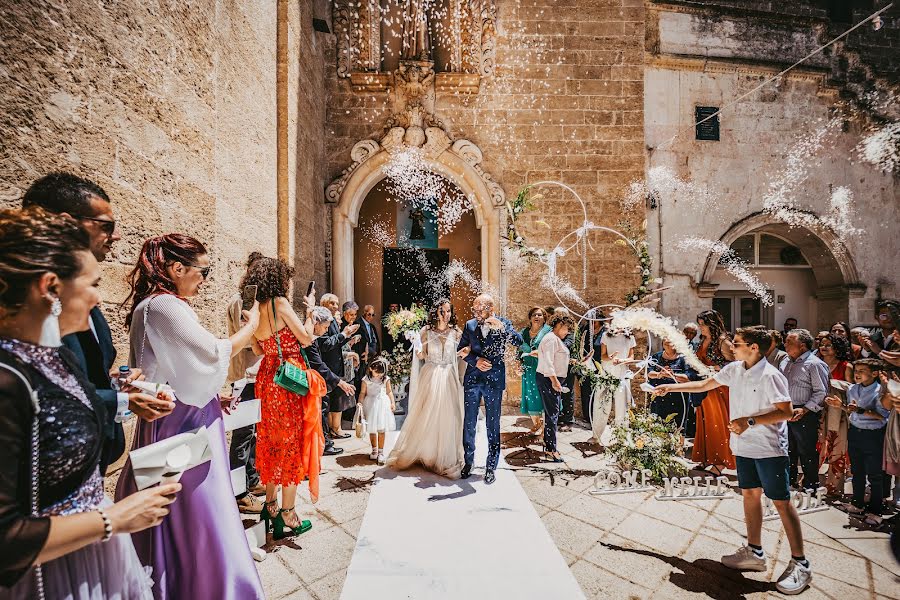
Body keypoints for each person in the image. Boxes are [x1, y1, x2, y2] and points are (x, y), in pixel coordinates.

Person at [0, 207, 179, 599]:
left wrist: (128, 395)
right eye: (92, 284)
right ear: (50, 287)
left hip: (95, 552)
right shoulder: (7, 379)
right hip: (47, 572)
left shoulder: (52, 357)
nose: (98, 297)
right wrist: (116, 517)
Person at [115, 234, 264, 599]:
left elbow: (180, 369)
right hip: (181, 426)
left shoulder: (158, 306)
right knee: (201, 517)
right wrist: (253, 324)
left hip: (179, 418)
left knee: (192, 517)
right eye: (204, 270)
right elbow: (214, 353)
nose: (205, 278)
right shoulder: (163, 306)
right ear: (176, 268)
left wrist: (216, 393)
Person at [23, 172, 172, 474]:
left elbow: (72, 370)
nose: (116, 236)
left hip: (93, 448)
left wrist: (114, 384)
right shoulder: (27, 303)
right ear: (67, 224)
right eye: (108, 226)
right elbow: (36, 393)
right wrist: (120, 400)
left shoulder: (76, 293)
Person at [653, 327, 812, 595]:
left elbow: (785, 412)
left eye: (737, 344)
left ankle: (801, 563)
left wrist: (749, 421)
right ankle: (754, 551)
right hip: (744, 445)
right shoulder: (735, 369)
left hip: (770, 448)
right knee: (749, 494)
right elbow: (705, 384)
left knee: (781, 503)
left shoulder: (771, 375)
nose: (732, 347)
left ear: (754, 348)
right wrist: (670, 386)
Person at [246, 256, 328, 538]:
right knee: (291, 442)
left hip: (267, 378)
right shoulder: (280, 303)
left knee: (270, 441)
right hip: (288, 380)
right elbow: (305, 338)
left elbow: (256, 349)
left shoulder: (254, 309)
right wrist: (309, 313)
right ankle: (288, 514)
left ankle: (269, 505)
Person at [388, 299, 466, 478]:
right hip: (430, 374)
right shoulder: (426, 331)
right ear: (436, 312)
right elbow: (422, 354)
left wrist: (464, 353)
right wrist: (418, 351)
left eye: (448, 311)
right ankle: (427, 453)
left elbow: (464, 351)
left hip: (448, 376)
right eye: (442, 311)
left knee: (448, 414)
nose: (446, 315)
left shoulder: (456, 331)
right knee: (428, 412)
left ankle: (444, 455)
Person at [457, 294, 523, 485]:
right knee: (469, 423)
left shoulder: (503, 323)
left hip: (494, 382)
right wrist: (475, 361)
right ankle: (468, 463)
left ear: (490, 309)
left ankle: (490, 467)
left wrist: (501, 327)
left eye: (479, 310)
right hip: (473, 380)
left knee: (492, 425)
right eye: (474, 310)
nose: (476, 313)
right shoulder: (469, 325)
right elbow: (461, 350)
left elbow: (518, 342)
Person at [828, 358, 890, 525]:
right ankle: (857, 504)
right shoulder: (852, 389)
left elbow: (883, 416)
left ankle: (876, 510)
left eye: (862, 370)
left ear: (874, 373)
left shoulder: (880, 391)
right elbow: (852, 410)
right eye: (856, 370)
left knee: (875, 475)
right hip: (855, 432)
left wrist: (860, 410)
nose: (857, 373)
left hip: (874, 435)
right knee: (857, 471)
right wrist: (840, 406)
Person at [228, 252, 265, 515]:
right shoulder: (243, 303)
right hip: (245, 376)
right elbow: (253, 342)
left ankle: (250, 482)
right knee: (243, 435)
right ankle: (239, 494)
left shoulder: (247, 301)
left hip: (251, 374)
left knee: (252, 433)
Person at [780, 328, 829, 493]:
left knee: (806, 451)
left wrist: (805, 410)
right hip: (785, 411)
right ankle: (789, 481)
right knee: (787, 449)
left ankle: (810, 486)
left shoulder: (814, 364)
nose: (785, 344)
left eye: (789, 342)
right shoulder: (785, 361)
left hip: (805, 413)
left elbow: (821, 392)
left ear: (802, 346)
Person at [692, 310, 736, 476]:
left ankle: (721, 462)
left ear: (712, 324)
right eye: (700, 324)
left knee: (718, 423)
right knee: (704, 422)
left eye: (703, 324)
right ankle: (707, 458)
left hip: (719, 388)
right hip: (704, 386)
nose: (700, 327)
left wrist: (715, 368)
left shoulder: (723, 342)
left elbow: (735, 364)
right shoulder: (703, 340)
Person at [318, 293, 358, 441]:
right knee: (328, 403)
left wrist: (347, 335)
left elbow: (337, 343)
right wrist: (343, 334)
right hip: (328, 367)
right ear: (323, 305)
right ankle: (330, 432)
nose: (336, 306)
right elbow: (325, 345)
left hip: (338, 365)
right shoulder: (323, 321)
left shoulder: (333, 320)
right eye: (332, 303)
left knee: (337, 400)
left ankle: (336, 429)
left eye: (336, 303)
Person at [536, 313, 574, 462]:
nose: (568, 332)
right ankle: (552, 450)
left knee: (552, 413)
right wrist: (554, 381)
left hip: (550, 379)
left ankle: (548, 443)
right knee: (553, 414)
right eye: (566, 328)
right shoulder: (551, 339)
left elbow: (557, 358)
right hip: (548, 380)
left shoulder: (554, 339)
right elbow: (548, 362)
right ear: (559, 326)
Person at [818, 334, 853, 495]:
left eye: (828, 345)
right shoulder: (817, 364)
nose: (823, 347)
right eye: (822, 344)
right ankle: (811, 479)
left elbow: (852, 389)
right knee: (816, 445)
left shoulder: (846, 366)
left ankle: (833, 485)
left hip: (838, 412)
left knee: (837, 446)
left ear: (837, 348)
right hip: (819, 410)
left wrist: (832, 384)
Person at [647, 338, 701, 437]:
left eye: (670, 342)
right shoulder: (656, 356)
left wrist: (671, 375)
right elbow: (650, 373)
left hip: (679, 397)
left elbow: (688, 377)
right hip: (659, 397)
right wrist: (660, 374)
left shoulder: (684, 359)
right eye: (665, 343)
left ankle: (678, 449)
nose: (667, 345)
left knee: (678, 425)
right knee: (658, 424)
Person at [599, 326, 637, 431]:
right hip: (607, 372)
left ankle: (621, 434)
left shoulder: (630, 337)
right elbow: (603, 356)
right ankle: (597, 433)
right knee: (603, 403)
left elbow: (631, 358)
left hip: (622, 372)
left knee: (622, 405)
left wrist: (621, 360)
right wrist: (610, 358)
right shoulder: (606, 335)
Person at [518, 307, 549, 434]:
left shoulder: (548, 332)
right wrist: (518, 365)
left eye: (540, 315)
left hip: (543, 368)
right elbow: (518, 351)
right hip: (528, 369)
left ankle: (545, 429)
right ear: (530, 318)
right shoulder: (524, 332)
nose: (537, 317)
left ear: (544, 318)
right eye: (534, 315)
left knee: (543, 397)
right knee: (530, 396)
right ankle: (536, 423)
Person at [359, 358, 396, 464]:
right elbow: (362, 393)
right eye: (377, 373)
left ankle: (381, 452)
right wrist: (360, 403)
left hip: (382, 405)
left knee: (381, 429)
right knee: (372, 429)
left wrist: (392, 402)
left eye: (381, 373)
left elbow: (389, 392)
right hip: (370, 404)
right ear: (371, 369)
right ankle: (374, 450)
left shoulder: (385, 379)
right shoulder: (366, 379)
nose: (379, 375)